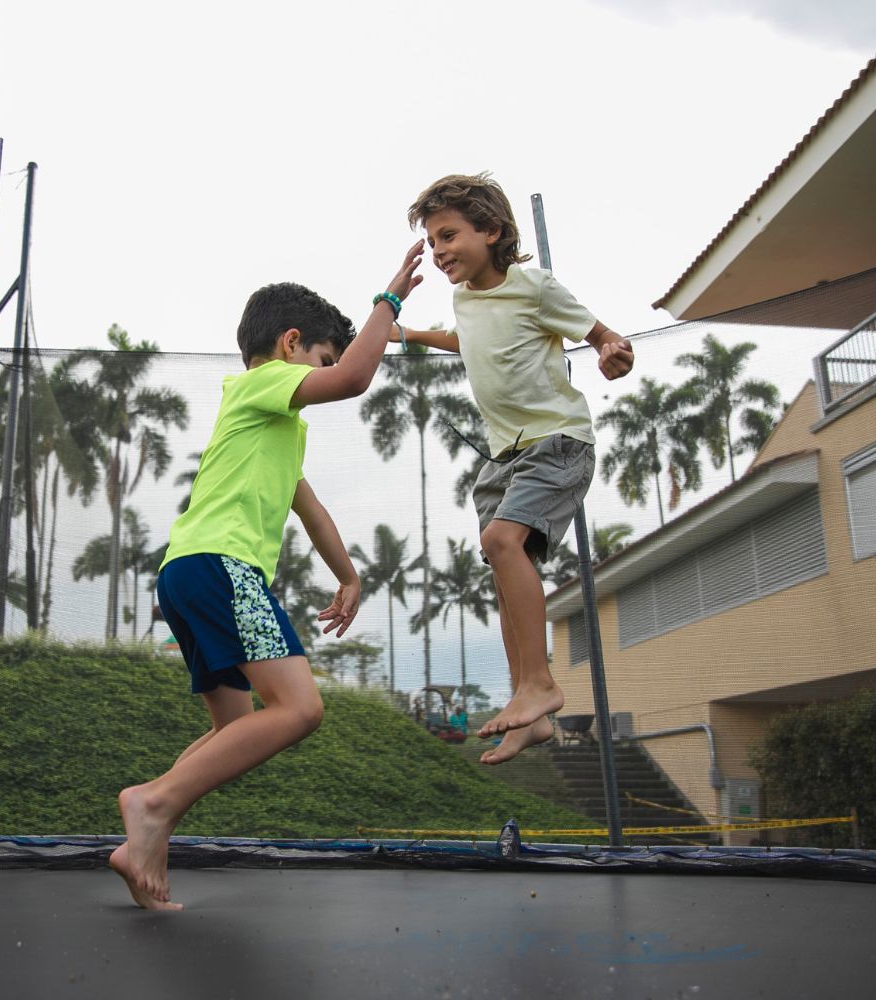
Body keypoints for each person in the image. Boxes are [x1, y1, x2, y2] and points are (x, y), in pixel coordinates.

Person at [109, 241, 424, 910]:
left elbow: (309, 510)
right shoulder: (262, 383)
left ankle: (148, 831)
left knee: (234, 727)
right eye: (320, 356)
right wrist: (388, 302)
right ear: (289, 344)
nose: (323, 373)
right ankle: (154, 803)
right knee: (299, 709)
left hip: (188, 571)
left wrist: (349, 576)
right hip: (225, 568)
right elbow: (355, 379)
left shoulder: (270, 423)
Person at [396, 172, 633, 766]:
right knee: (508, 567)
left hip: (557, 442)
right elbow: (469, 341)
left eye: (448, 234)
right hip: (506, 456)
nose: (439, 249)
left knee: (503, 540)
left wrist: (611, 351)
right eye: (432, 241)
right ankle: (530, 712)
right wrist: (410, 334)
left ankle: (539, 686)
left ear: (492, 230)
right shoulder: (465, 298)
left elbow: (603, 334)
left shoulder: (534, 286)